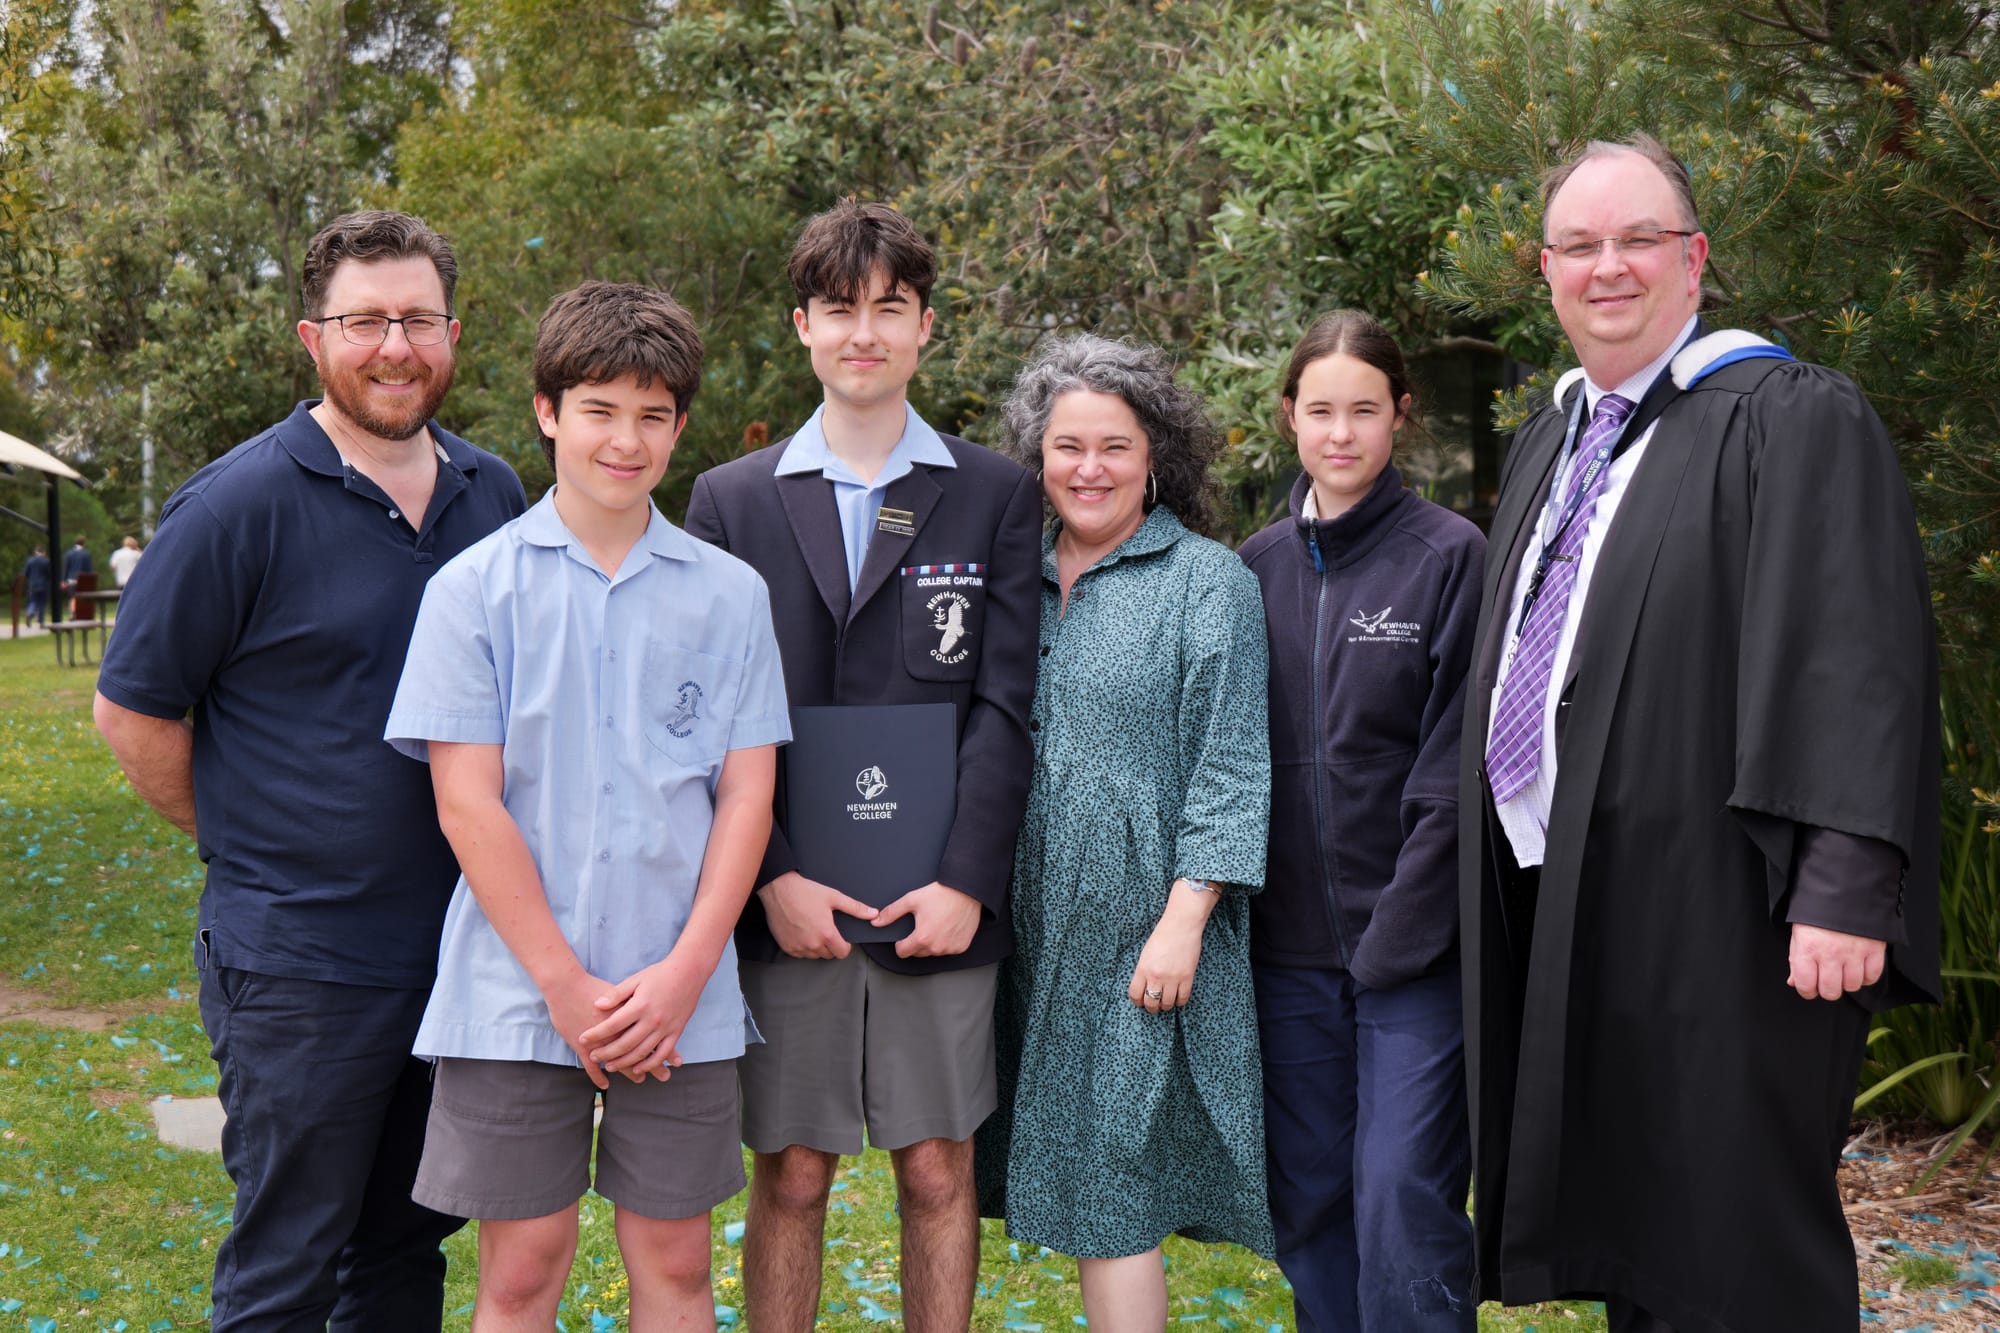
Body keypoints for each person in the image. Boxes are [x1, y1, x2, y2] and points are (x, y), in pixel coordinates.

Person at [1461, 134, 1940, 1333]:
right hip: (1573, 890)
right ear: (1545, 269)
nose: (1607, 266)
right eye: (1579, 244)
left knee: (1734, 1230)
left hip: (1731, 903)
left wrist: (1842, 882)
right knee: (1640, 1229)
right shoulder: (1556, 436)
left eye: (1639, 239)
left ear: (1694, 258)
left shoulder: (1788, 414)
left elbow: (1855, 650)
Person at [92, 210, 527, 1331]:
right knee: (287, 1264)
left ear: (453, 333)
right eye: (364, 321)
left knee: (405, 1251)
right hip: (299, 964)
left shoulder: (495, 495)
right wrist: (249, 838)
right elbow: (131, 712)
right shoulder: (232, 507)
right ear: (313, 337)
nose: (394, 346)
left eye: (417, 319)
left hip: (460, 954)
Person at [385, 281, 788, 1328]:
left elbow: (745, 794)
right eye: (600, 410)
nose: (626, 440)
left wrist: (685, 972)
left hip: (678, 992)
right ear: (547, 412)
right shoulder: (473, 591)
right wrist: (563, 986)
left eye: (652, 416)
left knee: (677, 1262)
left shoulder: (731, 595)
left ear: (680, 427)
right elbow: (466, 803)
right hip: (516, 990)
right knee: (522, 1269)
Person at [683, 200, 1040, 1332]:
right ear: (803, 326)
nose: (864, 333)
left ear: (925, 325)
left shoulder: (994, 492)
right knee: (792, 1173)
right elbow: (711, 718)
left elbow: (1006, 705)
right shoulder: (730, 501)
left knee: (936, 1167)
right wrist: (769, 877)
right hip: (789, 896)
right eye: (840, 309)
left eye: (890, 307)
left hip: (938, 895)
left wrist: (966, 880)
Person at [977, 333, 1274, 1333]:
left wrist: (1184, 920)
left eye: (1114, 446)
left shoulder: (1206, 581)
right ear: (1037, 456)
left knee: (1114, 1193)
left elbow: (1231, 764)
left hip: (1140, 941)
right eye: (1067, 446)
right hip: (1016, 940)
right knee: (1045, 1176)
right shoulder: (1006, 580)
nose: (1089, 468)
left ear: (1155, 458)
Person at [1238, 311, 1484, 1331]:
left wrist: (1395, 940)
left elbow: (1454, 770)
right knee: (1310, 1200)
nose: (1340, 434)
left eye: (1365, 411)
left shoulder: (1449, 556)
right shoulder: (1250, 568)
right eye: (1321, 410)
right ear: (1289, 416)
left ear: (1400, 416)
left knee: (1401, 1196)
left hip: (1415, 956)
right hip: (1287, 954)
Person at [60, 537, 92, 617]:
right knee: (82, 597)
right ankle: (79, 613)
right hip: (82, 579)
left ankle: (72, 612)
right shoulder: (86, 554)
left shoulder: (69, 553)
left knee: (72, 597)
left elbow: (66, 568)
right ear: (84, 544)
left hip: (71, 579)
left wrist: (63, 580)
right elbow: (89, 569)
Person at [21, 545, 49, 626]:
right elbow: (49, 574)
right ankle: (41, 621)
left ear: (35, 552)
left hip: (32, 585)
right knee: (42, 603)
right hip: (44, 585)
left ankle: (30, 612)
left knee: (33, 601)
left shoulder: (30, 561)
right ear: (44, 552)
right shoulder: (46, 561)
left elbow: (25, 573)